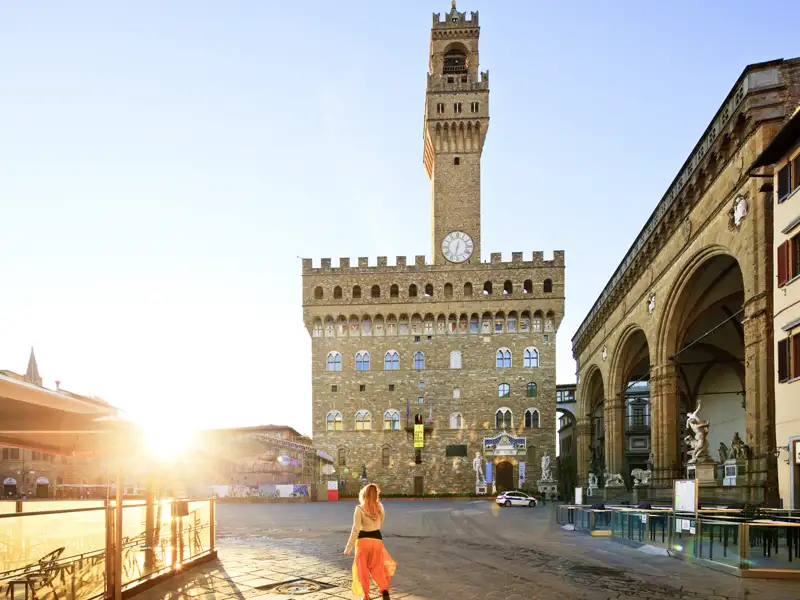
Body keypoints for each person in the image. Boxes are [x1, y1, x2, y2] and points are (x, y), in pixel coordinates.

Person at [344, 483, 396, 600]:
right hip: (377, 540)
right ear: (376, 494)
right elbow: (380, 523)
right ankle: (384, 590)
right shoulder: (380, 507)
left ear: (364, 494)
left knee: (362, 569)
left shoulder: (359, 508)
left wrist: (349, 547)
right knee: (377, 568)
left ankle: (366, 596)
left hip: (363, 542)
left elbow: (356, 529)